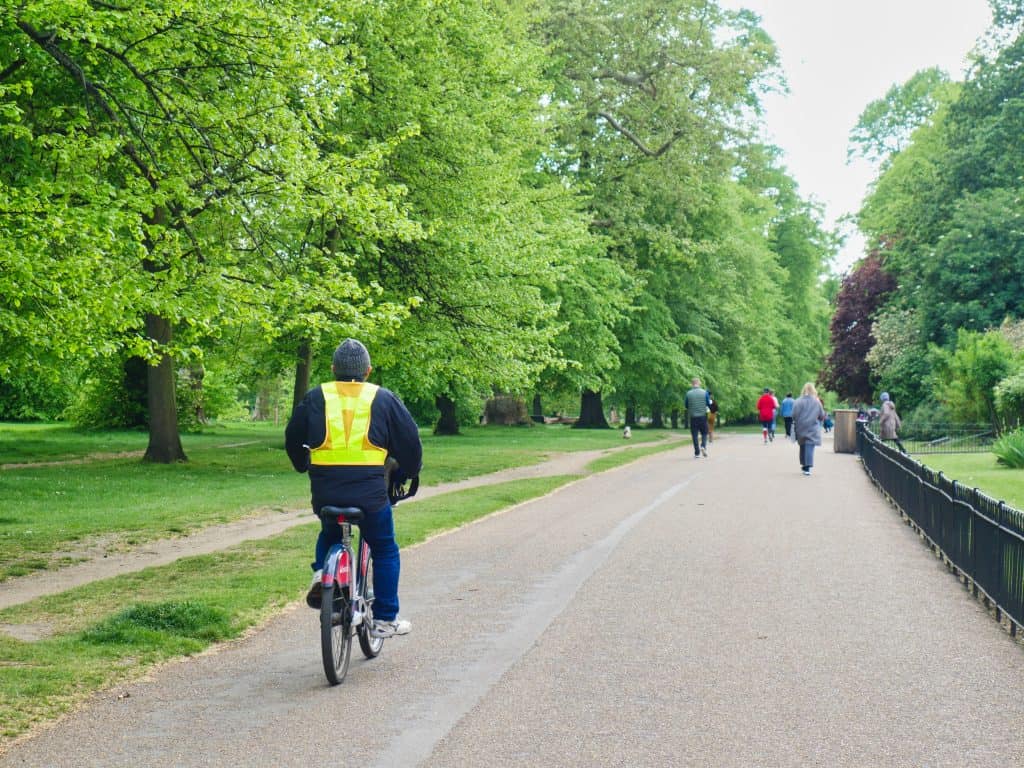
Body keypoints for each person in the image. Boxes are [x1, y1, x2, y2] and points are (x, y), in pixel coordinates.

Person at [285, 338, 422, 638]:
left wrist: (301, 462)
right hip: (370, 495)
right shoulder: (383, 398)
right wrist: (410, 472)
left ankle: (324, 574)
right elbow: (410, 442)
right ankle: (386, 618)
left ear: (334, 369)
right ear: (368, 371)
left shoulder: (316, 396)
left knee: (329, 531)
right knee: (385, 548)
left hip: (326, 492)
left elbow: (293, 435)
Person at [792, 382, 826, 476]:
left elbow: (794, 415)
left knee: (802, 445)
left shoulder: (797, 401)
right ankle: (807, 467)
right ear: (813, 390)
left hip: (801, 426)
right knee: (809, 446)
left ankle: (804, 464)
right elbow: (822, 415)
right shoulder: (817, 402)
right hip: (812, 427)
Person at [685, 377, 710, 458]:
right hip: (702, 416)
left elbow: (686, 405)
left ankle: (697, 453)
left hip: (693, 417)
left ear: (692, 384)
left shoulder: (688, 393)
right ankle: (703, 446)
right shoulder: (705, 393)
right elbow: (708, 404)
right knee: (704, 433)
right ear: (699, 383)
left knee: (694, 435)